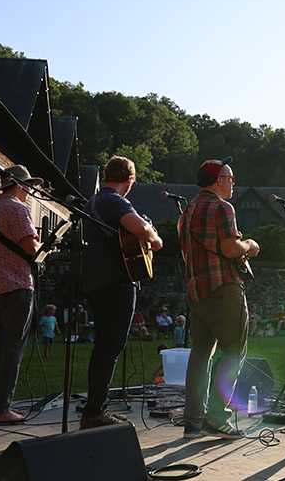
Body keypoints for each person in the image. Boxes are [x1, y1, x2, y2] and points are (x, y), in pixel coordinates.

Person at [79, 156, 163, 429]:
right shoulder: (114, 200)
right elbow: (140, 229)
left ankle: (96, 408)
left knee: (104, 347)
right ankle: (94, 411)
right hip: (116, 282)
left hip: (98, 281)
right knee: (109, 347)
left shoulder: (93, 201)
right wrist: (154, 238)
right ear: (130, 180)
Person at [178, 158, 259, 439]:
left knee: (201, 353)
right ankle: (217, 415)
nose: (233, 183)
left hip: (196, 292)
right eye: (231, 178)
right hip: (223, 289)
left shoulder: (186, 211)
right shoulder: (223, 207)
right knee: (235, 351)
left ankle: (192, 421)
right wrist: (250, 245)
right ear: (218, 180)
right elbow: (229, 248)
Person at [0, 164, 44, 423]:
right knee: (12, 349)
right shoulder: (18, 209)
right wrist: (42, 245)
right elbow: (30, 249)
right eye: (28, 185)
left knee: (2, 349)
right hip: (17, 284)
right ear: (20, 184)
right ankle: (1, 409)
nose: (30, 191)